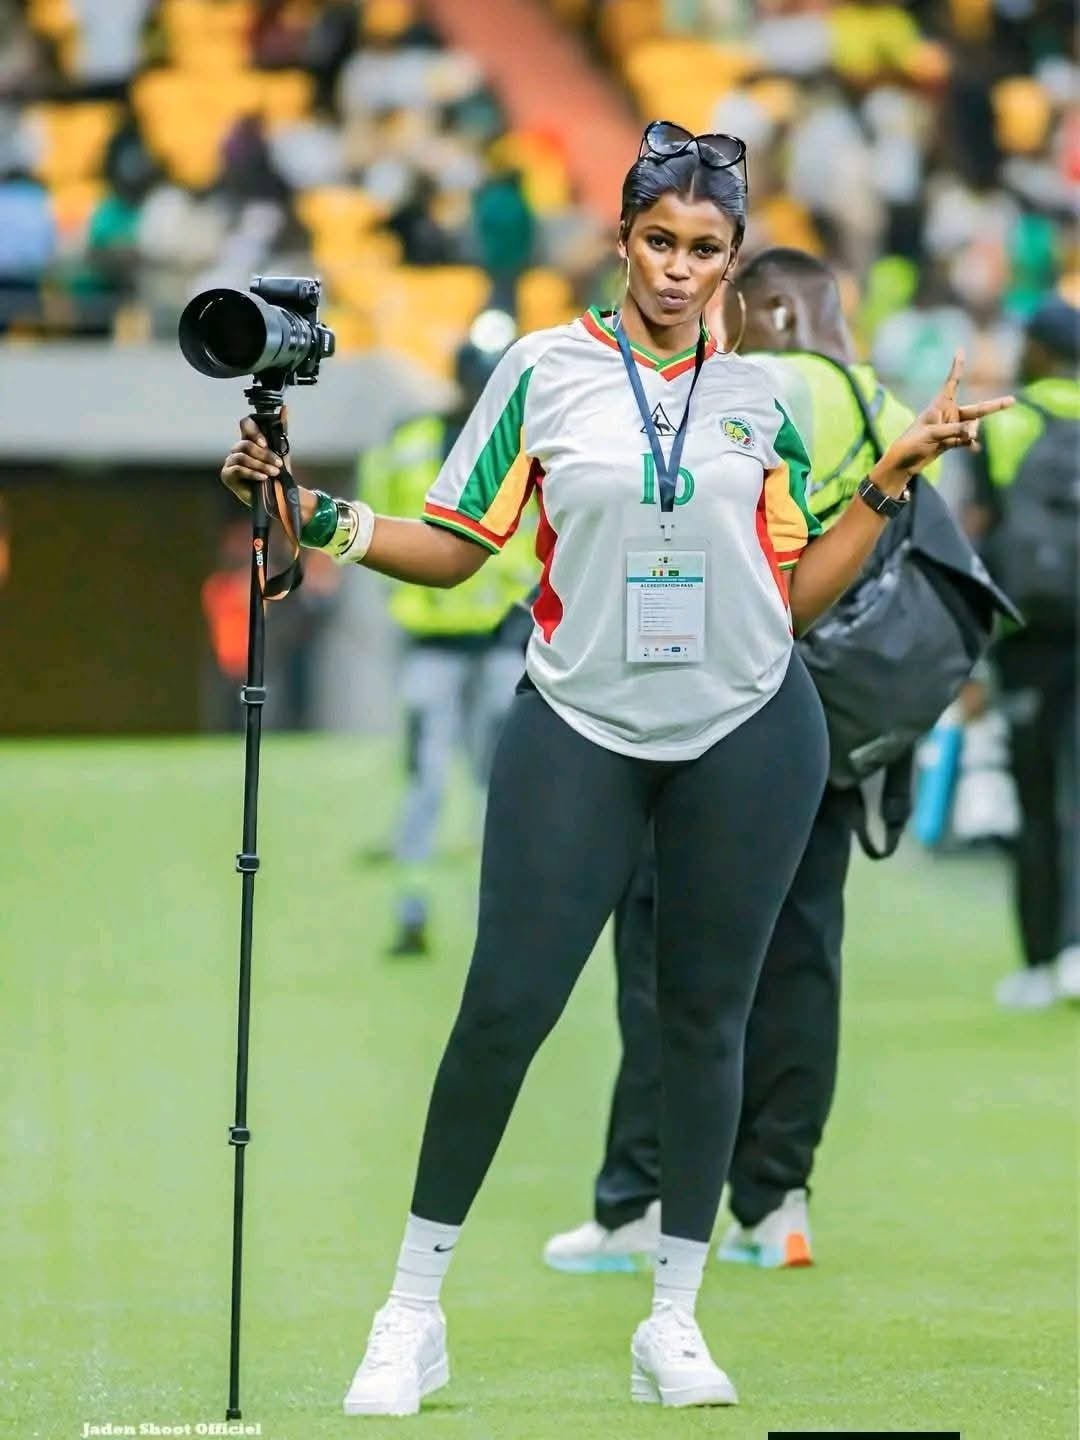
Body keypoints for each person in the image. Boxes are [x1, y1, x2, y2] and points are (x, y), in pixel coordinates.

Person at [220, 121, 1011, 1414]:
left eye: (707, 248)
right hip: (579, 724)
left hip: (751, 730)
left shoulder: (760, 397)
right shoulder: (543, 373)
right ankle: (408, 1315)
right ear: (624, 239)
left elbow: (793, 597)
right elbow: (459, 543)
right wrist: (315, 517)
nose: (680, 268)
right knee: (503, 1012)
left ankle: (674, 1322)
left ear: (735, 260)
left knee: (707, 1025)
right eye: (659, 240)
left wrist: (894, 474)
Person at [543, 244, 945, 1275]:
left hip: (714, 704)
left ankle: (638, 1200)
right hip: (836, 721)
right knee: (805, 957)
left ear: (763, 309)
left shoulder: (745, 391)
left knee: (664, 959)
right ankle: (779, 1205)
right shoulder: (878, 400)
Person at [359, 330, 539, 956]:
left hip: (496, 639)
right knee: (426, 780)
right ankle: (412, 909)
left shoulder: (519, 445)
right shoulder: (408, 444)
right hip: (434, 641)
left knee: (498, 782)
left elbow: (541, 533)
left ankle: (501, 919)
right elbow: (380, 521)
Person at [969, 295, 1079, 1009]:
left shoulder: (1005, 420)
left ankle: (1042, 962)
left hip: (1030, 637)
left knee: (1037, 796)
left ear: (1035, 349)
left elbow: (977, 530)